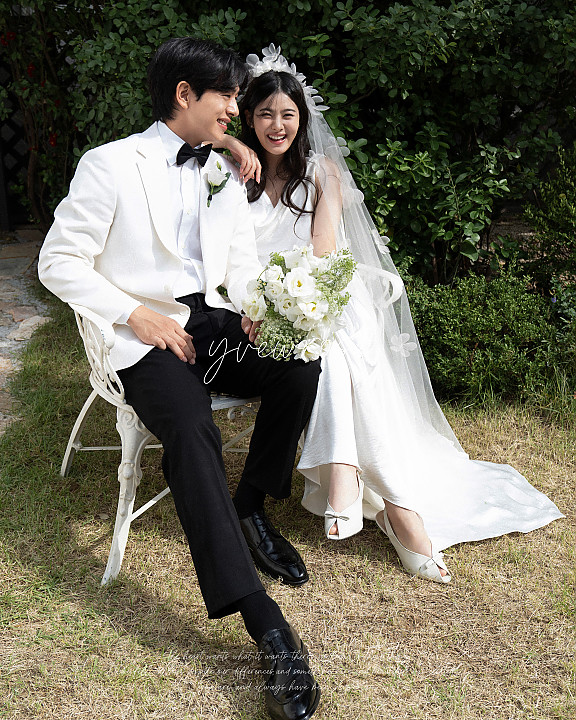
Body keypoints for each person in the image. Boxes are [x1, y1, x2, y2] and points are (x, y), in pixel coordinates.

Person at [38, 38, 322, 720]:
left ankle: (249, 503)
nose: (237, 109)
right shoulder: (110, 164)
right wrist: (133, 314)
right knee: (193, 431)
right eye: (228, 95)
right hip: (146, 337)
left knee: (301, 365)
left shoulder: (222, 165)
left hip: (212, 323)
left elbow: (240, 262)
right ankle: (267, 625)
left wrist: (258, 307)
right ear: (185, 95)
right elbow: (57, 261)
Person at [236, 45, 564, 584]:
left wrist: (295, 306)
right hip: (258, 307)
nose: (277, 126)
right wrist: (264, 306)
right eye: (265, 114)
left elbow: (324, 254)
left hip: (319, 296)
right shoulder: (231, 174)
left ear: (303, 119)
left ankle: (353, 483)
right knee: (328, 357)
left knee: (331, 349)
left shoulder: (321, 173)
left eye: (288, 114)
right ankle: (392, 507)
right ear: (248, 117)